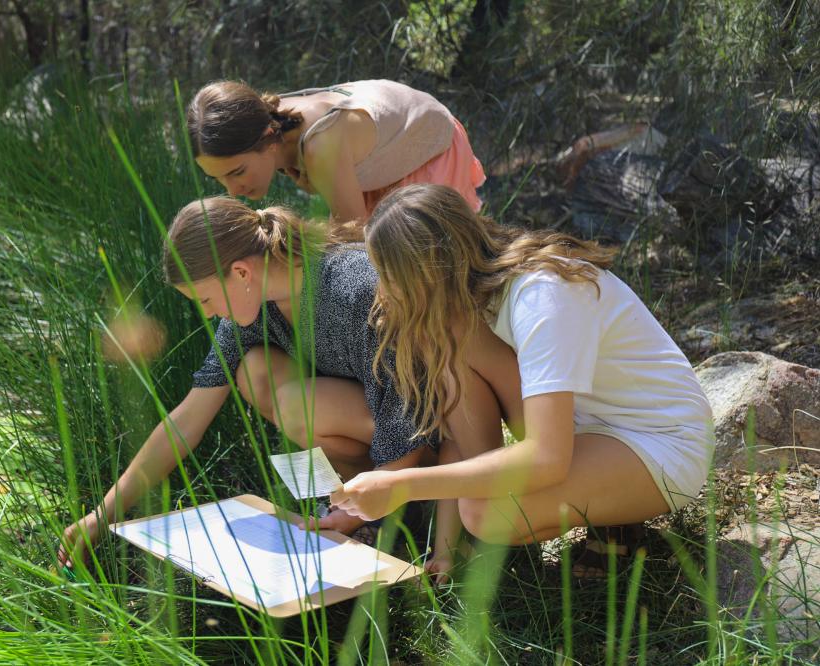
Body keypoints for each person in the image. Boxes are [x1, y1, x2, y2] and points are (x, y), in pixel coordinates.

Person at [58, 195, 522, 571]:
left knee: (294, 401)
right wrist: (104, 513)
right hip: (377, 423)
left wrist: (363, 502)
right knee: (256, 372)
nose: (207, 313)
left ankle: (380, 506)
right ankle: (352, 502)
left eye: (204, 298)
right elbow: (186, 421)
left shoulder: (351, 287)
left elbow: (407, 412)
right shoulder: (249, 310)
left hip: (435, 426)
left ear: (240, 272)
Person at [331, 184, 714, 576]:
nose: (382, 291)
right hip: (591, 431)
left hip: (662, 444)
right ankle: (491, 540)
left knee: (483, 510)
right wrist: (447, 543)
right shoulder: (471, 307)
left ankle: (616, 515)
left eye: (388, 274)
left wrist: (404, 485)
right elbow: (466, 438)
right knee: (452, 351)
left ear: (425, 272)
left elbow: (547, 458)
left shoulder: (541, 297)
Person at [186, 79, 485, 231]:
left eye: (237, 172)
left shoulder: (319, 147)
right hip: (381, 152)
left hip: (427, 148)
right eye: (219, 179)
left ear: (267, 137)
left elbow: (354, 245)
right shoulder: (274, 116)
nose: (233, 191)